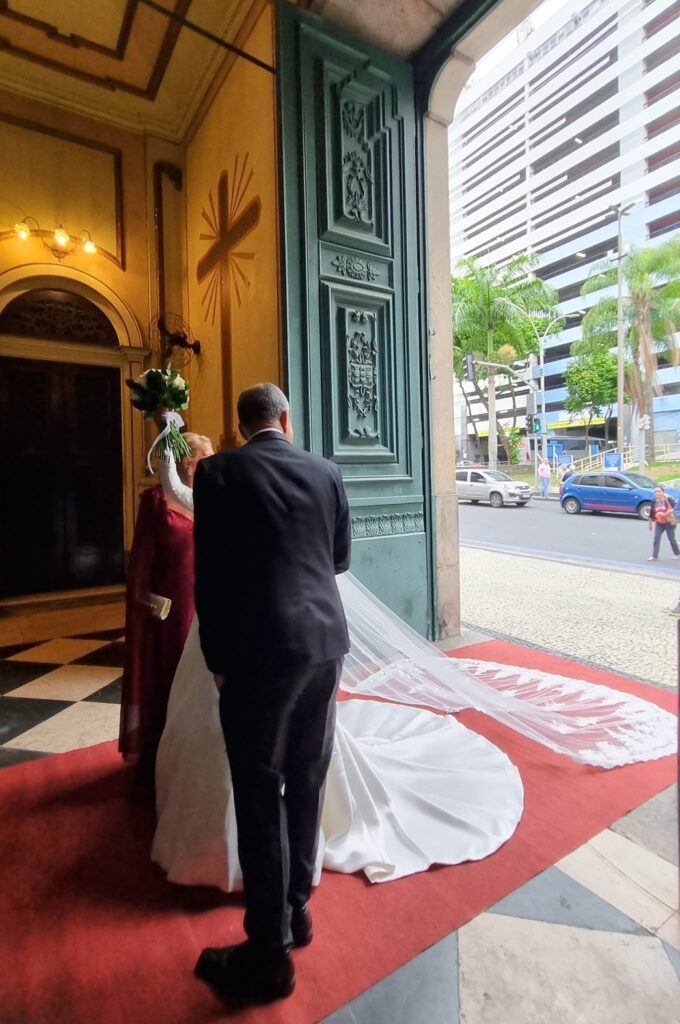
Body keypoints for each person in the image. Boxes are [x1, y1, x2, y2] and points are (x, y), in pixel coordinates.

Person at [192, 383, 352, 1004]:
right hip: (324, 645)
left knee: (261, 794)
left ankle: (269, 955)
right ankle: (297, 911)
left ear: (241, 426)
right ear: (285, 419)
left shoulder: (218, 474)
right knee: (307, 782)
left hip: (258, 653)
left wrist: (217, 662)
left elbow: (209, 577)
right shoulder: (326, 471)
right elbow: (337, 559)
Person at [119, 432, 213, 778]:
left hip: (206, 600)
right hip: (172, 606)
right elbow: (140, 561)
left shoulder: (209, 498)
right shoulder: (156, 501)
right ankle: (163, 758)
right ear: (187, 462)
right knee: (171, 675)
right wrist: (147, 600)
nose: (212, 465)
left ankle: (197, 751)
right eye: (206, 458)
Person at [647, 485, 679, 561]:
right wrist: (650, 523)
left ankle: (677, 554)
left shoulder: (668, 499)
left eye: (659, 491)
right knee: (656, 538)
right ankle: (654, 556)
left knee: (671, 539)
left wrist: (664, 514)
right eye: (655, 492)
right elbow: (651, 513)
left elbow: (675, 509)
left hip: (669, 522)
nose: (657, 493)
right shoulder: (654, 501)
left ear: (663, 492)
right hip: (659, 523)